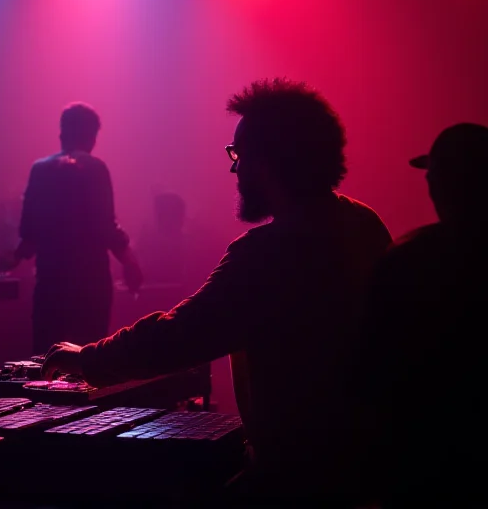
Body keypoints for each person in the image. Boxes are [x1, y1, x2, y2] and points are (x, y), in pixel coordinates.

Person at [42, 80, 392, 498]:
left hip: (298, 478)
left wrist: (87, 358)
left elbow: (179, 335)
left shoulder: (266, 254)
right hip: (370, 467)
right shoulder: (364, 224)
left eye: (239, 156)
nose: (234, 168)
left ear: (268, 162)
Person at [360, 123, 488, 503]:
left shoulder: (410, 258)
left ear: (442, 183)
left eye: (434, 176)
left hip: (425, 462)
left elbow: (371, 370)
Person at [0, 103, 143, 355]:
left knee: (46, 360)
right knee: (87, 360)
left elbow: (29, 235)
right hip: (90, 283)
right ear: (92, 136)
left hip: (50, 282)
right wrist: (130, 263)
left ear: (62, 133)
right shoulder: (96, 168)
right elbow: (107, 227)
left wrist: (11, 259)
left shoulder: (39, 170)